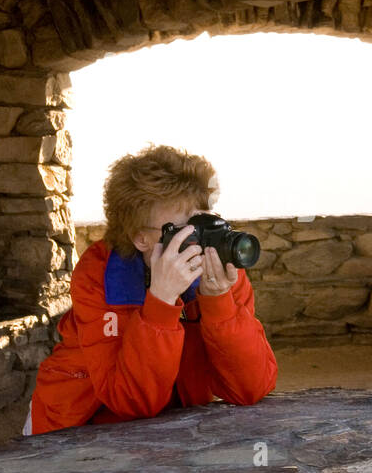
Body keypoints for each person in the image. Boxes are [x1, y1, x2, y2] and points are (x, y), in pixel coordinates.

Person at [24, 144, 278, 434]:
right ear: (141, 239)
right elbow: (132, 402)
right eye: (184, 229)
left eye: (205, 221)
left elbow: (251, 387)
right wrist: (161, 301)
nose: (200, 239)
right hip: (72, 427)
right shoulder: (100, 276)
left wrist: (218, 302)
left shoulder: (219, 270)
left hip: (170, 425)